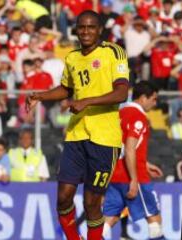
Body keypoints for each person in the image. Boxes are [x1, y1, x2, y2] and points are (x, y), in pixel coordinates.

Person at [26, 10, 129, 240]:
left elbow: (122, 92)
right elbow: (67, 89)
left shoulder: (114, 52)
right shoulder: (72, 57)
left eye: (91, 27)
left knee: (92, 203)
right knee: (63, 197)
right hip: (75, 135)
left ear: (99, 29)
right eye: (81, 27)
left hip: (104, 138)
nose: (85, 31)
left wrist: (86, 101)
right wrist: (40, 96)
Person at [103, 81, 165, 240]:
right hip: (133, 177)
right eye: (154, 99)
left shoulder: (120, 113)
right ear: (143, 98)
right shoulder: (138, 117)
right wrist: (134, 179)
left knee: (110, 217)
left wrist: (145, 163)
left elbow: (121, 147)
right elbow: (130, 148)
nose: (155, 103)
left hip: (114, 175)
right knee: (154, 219)